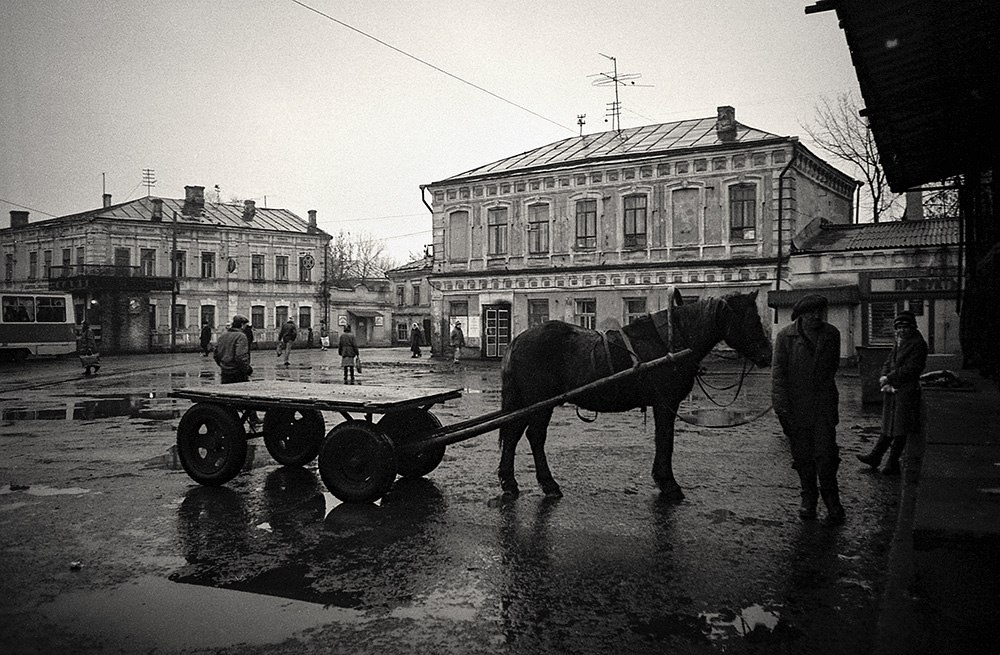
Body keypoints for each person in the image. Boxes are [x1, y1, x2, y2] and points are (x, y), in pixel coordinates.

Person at [772, 294, 845, 524]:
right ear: (801, 315)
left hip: (823, 405)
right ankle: (809, 499)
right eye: (811, 312)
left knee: (826, 456)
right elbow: (778, 375)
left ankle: (832, 500)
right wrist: (781, 408)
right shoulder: (785, 337)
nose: (816, 317)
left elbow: (831, 368)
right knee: (803, 457)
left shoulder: (832, 334)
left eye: (820, 312)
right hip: (796, 407)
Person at [857, 310, 928, 475]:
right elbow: (889, 361)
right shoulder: (899, 342)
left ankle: (892, 462)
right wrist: (884, 375)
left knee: (900, 428)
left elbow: (912, 368)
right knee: (889, 425)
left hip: (906, 390)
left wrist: (888, 377)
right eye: (899, 327)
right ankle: (876, 457)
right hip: (893, 390)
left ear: (912, 327)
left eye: (905, 327)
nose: (902, 330)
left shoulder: (918, 344)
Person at [214, 315, 253, 384]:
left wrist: (223, 365)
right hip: (238, 372)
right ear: (242, 325)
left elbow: (216, 354)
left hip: (225, 371)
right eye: (245, 325)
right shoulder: (241, 336)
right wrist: (247, 369)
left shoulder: (223, 336)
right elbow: (240, 356)